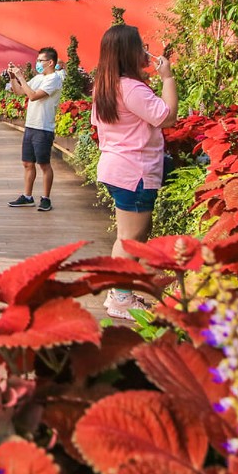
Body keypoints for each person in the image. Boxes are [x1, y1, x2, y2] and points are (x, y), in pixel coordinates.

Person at [89, 24, 177, 320]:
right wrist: (168, 78)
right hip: (134, 171)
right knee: (130, 239)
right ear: (129, 51)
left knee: (128, 236)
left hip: (117, 168)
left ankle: (119, 292)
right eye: (140, 45)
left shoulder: (106, 86)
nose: (145, 50)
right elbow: (167, 117)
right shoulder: (131, 88)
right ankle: (120, 299)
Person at [7, 47, 64, 211]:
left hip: (43, 127)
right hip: (30, 126)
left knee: (44, 164)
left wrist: (20, 76)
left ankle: (46, 198)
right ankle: (27, 196)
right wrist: (13, 78)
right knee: (27, 163)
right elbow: (19, 92)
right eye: (37, 60)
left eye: (41, 61)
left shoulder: (53, 79)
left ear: (50, 62)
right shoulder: (38, 77)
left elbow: (33, 96)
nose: (37, 63)